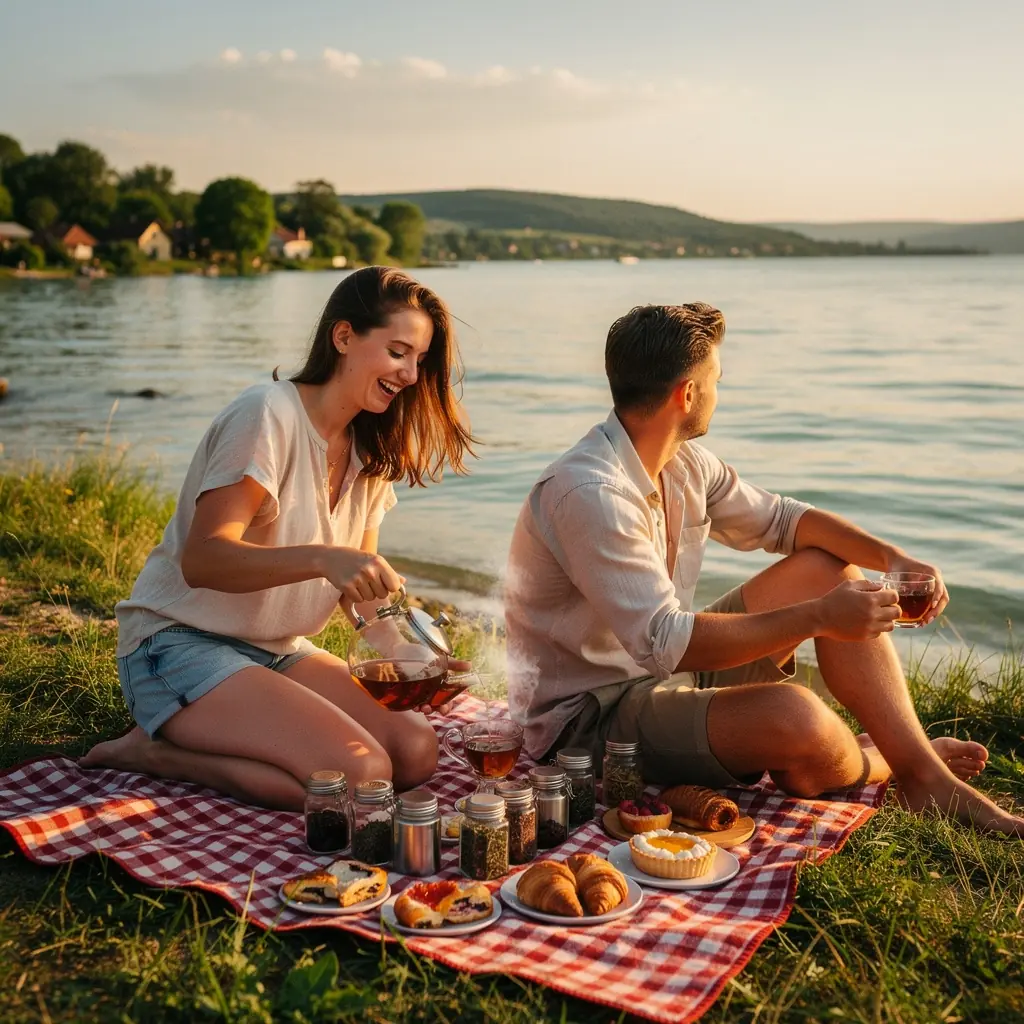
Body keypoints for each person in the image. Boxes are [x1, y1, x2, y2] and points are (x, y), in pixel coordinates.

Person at [505, 302, 1023, 836]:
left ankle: (923, 777)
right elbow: (669, 639)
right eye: (716, 381)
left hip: (663, 671)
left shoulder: (681, 463)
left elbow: (786, 521)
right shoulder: (590, 492)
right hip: (591, 720)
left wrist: (891, 558)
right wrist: (819, 618)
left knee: (824, 568)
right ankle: (881, 759)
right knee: (797, 719)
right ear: (687, 394)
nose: (719, 393)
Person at [83, 266, 475, 810]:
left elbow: (363, 601)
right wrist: (322, 558)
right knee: (361, 777)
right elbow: (203, 560)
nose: (410, 374)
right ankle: (155, 753)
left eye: (419, 360)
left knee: (414, 751)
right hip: (177, 645)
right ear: (343, 337)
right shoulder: (267, 414)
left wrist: (419, 663)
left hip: (275, 651)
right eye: (398, 351)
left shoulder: (371, 450)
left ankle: (220, 736)